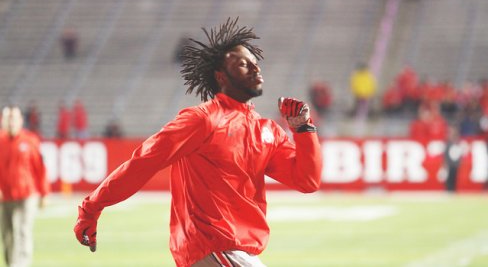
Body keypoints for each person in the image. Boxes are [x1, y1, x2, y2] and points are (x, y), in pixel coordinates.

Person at [74, 17, 323, 267]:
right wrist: (91, 207)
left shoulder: (266, 130)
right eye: (243, 65)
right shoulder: (201, 121)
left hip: (238, 252)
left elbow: (307, 181)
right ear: (221, 77)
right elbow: (142, 163)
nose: (256, 69)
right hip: (212, 247)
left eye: (255, 63)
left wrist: (303, 129)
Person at [0, 106, 50, 267]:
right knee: (7, 235)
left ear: (21, 120)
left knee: (23, 230)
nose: (11, 122)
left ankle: (21, 264)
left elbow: (40, 168)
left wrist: (44, 193)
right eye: (8, 118)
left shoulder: (30, 141)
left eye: (14, 118)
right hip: (4, 196)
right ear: (2, 121)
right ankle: (11, 263)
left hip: (27, 195)